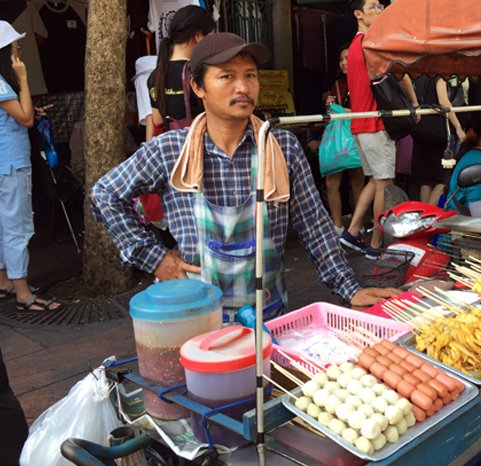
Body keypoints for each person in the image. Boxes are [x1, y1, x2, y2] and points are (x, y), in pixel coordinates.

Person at [91, 33, 397, 317]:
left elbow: (314, 225)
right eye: (227, 76)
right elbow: (104, 194)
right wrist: (154, 258)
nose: (243, 87)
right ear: (198, 87)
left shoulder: (281, 147)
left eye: (250, 75)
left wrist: (349, 288)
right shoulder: (171, 150)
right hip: (196, 320)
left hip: (268, 316)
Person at [339, 0, 418, 259]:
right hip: (374, 122)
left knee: (375, 181)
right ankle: (375, 244)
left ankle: (351, 232)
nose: (380, 10)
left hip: (360, 124)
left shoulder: (353, 46)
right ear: (358, 14)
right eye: (374, 6)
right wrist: (414, 104)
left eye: (381, 6)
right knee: (384, 184)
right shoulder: (371, 43)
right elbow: (400, 73)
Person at [0, 22, 60, 313]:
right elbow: (24, 119)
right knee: (17, 227)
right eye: (14, 46)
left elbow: (15, 114)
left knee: (2, 226)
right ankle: (23, 292)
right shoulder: (2, 84)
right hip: (11, 163)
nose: (18, 50)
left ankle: (4, 282)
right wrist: (23, 79)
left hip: (3, 164)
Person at [146, 5, 215, 140]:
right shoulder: (200, 73)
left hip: (170, 153)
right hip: (198, 150)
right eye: (209, 39)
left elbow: (158, 124)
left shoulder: (155, 76)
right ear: (198, 36)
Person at [319, 45, 365, 235]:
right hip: (339, 136)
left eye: (347, 58)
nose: (344, 62)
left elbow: (366, 112)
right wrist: (330, 105)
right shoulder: (336, 84)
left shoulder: (363, 82)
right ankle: (337, 225)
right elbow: (332, 111)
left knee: (357, 183)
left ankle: (358, 225)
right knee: (331, 182)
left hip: (357, 134)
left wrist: (342, 110)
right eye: (341, 59)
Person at [411, 76, 466, 205]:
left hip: (420, 131)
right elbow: (443, 101)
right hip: (437, 133)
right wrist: (458, 127)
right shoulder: (438, 77)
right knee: (443, 179)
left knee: (426, 180)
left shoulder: (418, 76)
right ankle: (430, 215)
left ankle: (424, 215)